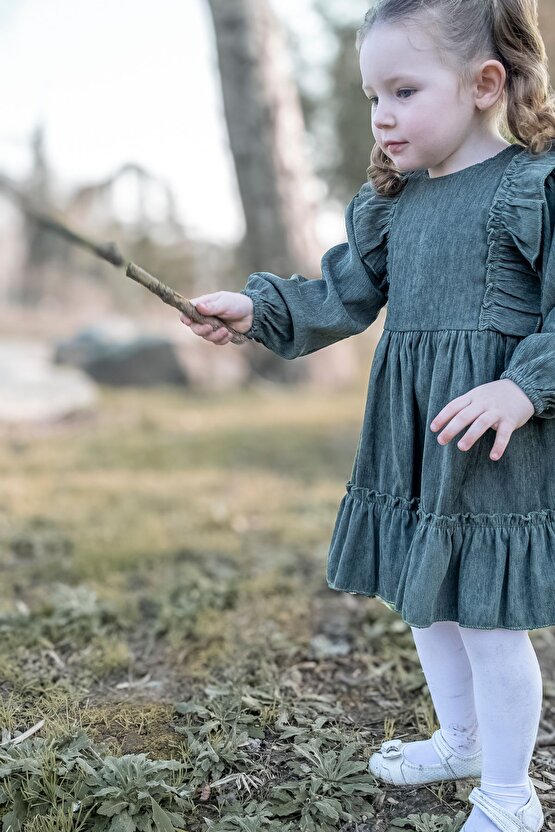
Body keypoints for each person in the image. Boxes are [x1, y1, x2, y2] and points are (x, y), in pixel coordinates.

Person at [180, 1, 555, 830]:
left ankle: (508, 795)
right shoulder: (394, 202)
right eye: (369, 96)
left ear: (483, 84)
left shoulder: (533, 186)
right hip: (412, 432)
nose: (381, 115)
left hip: (492, 435)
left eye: (403, 90)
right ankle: (459, 738)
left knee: (488, 622)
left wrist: (522, 386)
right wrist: (255, 307)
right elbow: (340, 294)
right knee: (424, 597)